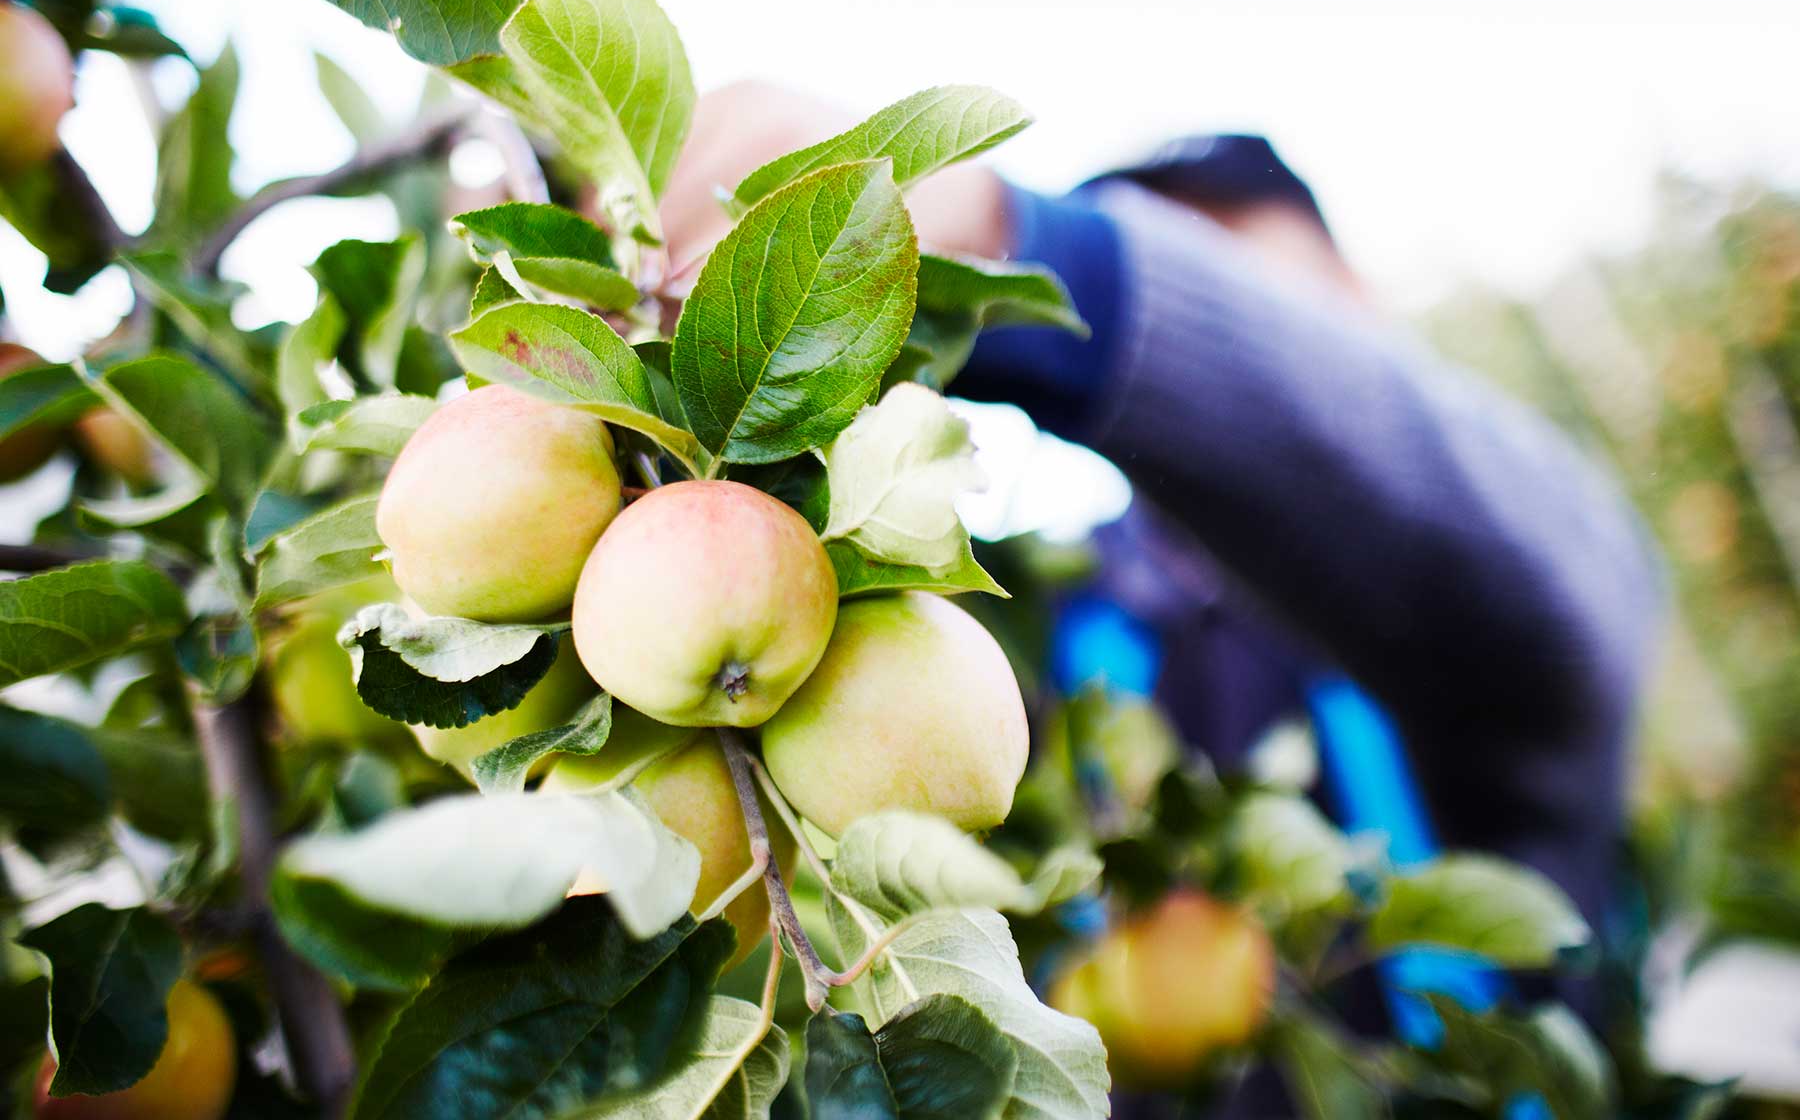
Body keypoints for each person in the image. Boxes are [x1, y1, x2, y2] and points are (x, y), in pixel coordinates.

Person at [659, 81, 1665, 1013]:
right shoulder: (1052, 621)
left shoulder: (1515, 578)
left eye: (1241, 289)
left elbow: (1482, 534)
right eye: (1193, 280)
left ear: (1355, 308)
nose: (1234, 347)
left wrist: (1023, 244)